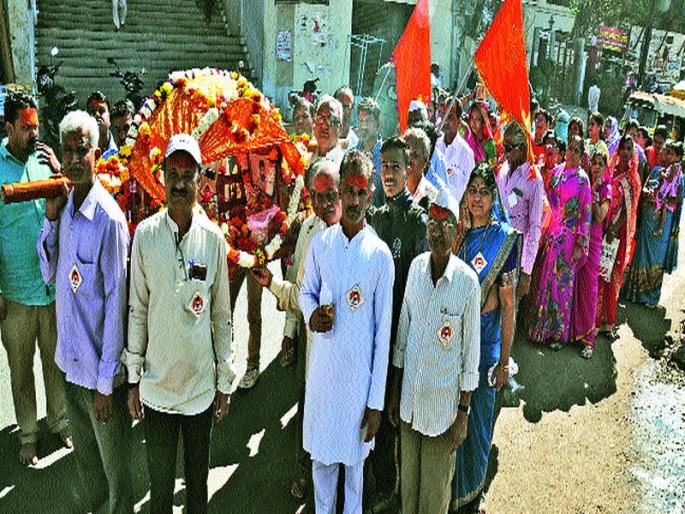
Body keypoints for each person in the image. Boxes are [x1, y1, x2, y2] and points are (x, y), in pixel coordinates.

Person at [125, 134, 235, 514]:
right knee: (158, 492)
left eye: (188, 175)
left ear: (202, 181)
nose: (180, 184)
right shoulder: (145, 236)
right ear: (162, 178)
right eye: (173, 174)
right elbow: (137, 309)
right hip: (157, 389)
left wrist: (224, 380)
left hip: (200, 388)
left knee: (198, 491)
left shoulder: (214, 239)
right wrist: (134, 380)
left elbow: (222, 315)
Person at [38, 110, 132, 513]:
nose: (74, 159)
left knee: (116, 476)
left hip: (99, 377)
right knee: (88, 469)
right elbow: (48, 273)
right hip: (68, 365)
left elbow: (116, 303)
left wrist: (106, 383)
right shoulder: (65, 209)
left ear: (96, 153)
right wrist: (50, 217)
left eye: (82, 151)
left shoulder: (108, 220)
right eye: (68, 150)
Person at [299, 150, 394, 513]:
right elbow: (306, 291)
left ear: (371, 194)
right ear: (338, 193)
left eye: (360, 192)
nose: (353, 200)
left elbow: (382, 336)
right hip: (323, 379)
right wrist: (312, 316)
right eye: (348, 191)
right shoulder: (322, 244)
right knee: (322, 465)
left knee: (354, 474)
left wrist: (375, 404)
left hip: (358, 387)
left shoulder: (379, 256)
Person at [250, 159, 342, 501]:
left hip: (345, 358)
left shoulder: (359, 237)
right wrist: (272, 283)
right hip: (312, 352)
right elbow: (299, 293)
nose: (327, 202)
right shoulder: (306, 231)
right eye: (319, 197)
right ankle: (308, 475)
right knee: (310, 419)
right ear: (311, 200)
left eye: (333, 193)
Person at [388, 189, 480, 514]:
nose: (438, 230)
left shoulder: (467, 284)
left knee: (433, 499)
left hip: (443, 413)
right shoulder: (415, 269)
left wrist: (463, 414)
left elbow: (471, 358)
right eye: (434, 221)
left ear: (457, 232)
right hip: (410, 405)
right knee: (408, 495)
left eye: (446, 223)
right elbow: (402, 336)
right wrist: (396, 393)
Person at [0, 91, 69, 466]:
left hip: (52, 286)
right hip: (15, 291)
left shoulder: (45, 160)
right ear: (8, 126)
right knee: (21, 369)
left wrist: (59, 171)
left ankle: (60, 422)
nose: (33, 133)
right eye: (26, 127)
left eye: (36, 126)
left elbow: (65, 210)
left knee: (55, 362)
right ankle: (28, 433)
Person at [451, 163, 518, 512]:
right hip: (455, 344)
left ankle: (472, 494)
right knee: (452, 422)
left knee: (476, 425)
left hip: (486, 346)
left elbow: (508, 307)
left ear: (494, 198)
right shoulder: (459, 235)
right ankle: (449, 490)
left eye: (483, 191)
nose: (476, 197)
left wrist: (504, 361)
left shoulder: (502, 239)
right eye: (472, 190)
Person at [366, 137, 428, 511]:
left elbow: (418, 291)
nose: (389, 173)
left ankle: (389, 490)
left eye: (396, 166)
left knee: (391, 417)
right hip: (370, 333)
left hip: (398, 336)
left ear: (410, 170)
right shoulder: (372, 216)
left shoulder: (416, 220)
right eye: (384, 166)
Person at [529, 135, 592, 349]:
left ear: (582, 154)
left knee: (562, 288)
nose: (572, 153)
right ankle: (542, 330)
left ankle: (557, 334)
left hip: (569, 241)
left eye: (576, 150)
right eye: (570, 149)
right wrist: (545, 230)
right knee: (547, 282)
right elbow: (548, 204)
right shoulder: (556, 172)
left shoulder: (583, 180)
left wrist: (579, 246)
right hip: (553, 237)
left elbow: (586, 216)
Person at [623, 140, 683, 306]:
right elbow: (643, 190)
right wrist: (649, 194)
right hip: (649, 217)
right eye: (665, 151)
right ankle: (633, 293)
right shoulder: (656, 170)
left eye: (669, 152)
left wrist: (662, 198)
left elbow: (677, 199)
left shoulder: (678, 174)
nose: (665, 154)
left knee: (656, 258)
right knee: (642, 255)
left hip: (662, 224)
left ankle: (650, 297)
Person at [596, 135, 641, 336]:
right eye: (623, 147)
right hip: (605, 225)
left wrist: (614, 228)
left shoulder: (632, 178)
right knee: (600, 272)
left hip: (618, 231)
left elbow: (628, 209)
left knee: (613, 273)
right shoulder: (612, 170)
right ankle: (595, 319)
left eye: (629, 148)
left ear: (633, 152)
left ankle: (609, 321)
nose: (625, 151)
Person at [496, 122, 545, 302]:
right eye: (504, 147)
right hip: (497, 244)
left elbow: (534, 228)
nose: (505, 153)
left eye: (509, 148)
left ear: (523, 147)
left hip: (516, 254)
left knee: (509, 308)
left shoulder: (534, 180)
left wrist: (527, 271)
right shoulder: (503, 170)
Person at [571, 145, 612, 358]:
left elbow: (598, 217)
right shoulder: (583, 181)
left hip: (594, 243)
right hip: (578, 239)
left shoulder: (605, 188)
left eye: (600, 164)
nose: (596, 167)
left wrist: (595, 192)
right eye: (594, 163)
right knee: (573, 285)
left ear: (605, 167)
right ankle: (571, 333)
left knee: (588, 289)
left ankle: (588, 339)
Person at [435, 102, 475, 203]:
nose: (446, 122)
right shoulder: (435, 146)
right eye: (444, 116)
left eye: (451, 117)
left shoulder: (467, 154)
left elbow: (469, 191)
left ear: (459, 122)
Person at [355, 97, 383, 206]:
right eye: (361, 120)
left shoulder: (386, 155)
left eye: (368, 121)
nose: (364, 126)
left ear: (378, 123)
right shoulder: (353, 153)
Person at [403, 127, 439, 208]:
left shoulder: (433, 198)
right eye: (406, 151)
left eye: (415, 155)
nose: (409, 158)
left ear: (425, 163)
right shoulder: (391, 188)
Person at [311, 95, 345, 168]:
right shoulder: (307, 160)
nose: (324, 126)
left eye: (330, 120)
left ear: (340, 129)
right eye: (320, 118)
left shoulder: (344, 165)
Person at [86, 91, 118, 159]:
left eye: (101, 110)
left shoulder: (121, 148)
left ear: (110, 117)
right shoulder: (80, 153)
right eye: (92, 111)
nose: (97, 115)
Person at [465, 101, 497, 166]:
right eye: (471, 117)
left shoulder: (490, 144)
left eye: (477, 119)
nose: (473, 122)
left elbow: (493, 169)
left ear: (483, 123)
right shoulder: (467, 136)